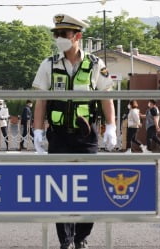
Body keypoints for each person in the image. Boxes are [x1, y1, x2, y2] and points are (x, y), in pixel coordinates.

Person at [32, 14, 117, 249]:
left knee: (89, 188)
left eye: (63, 34)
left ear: (77, 36)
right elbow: (41, 101)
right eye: (56, 34)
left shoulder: (95, 64)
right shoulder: (49, 64)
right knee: (61, 190)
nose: (59, 38)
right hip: (59, 135)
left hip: (86, 135)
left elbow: (105, 97)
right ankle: (66, 241)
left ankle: (81, 237)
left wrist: (111, 127)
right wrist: (38, 132)